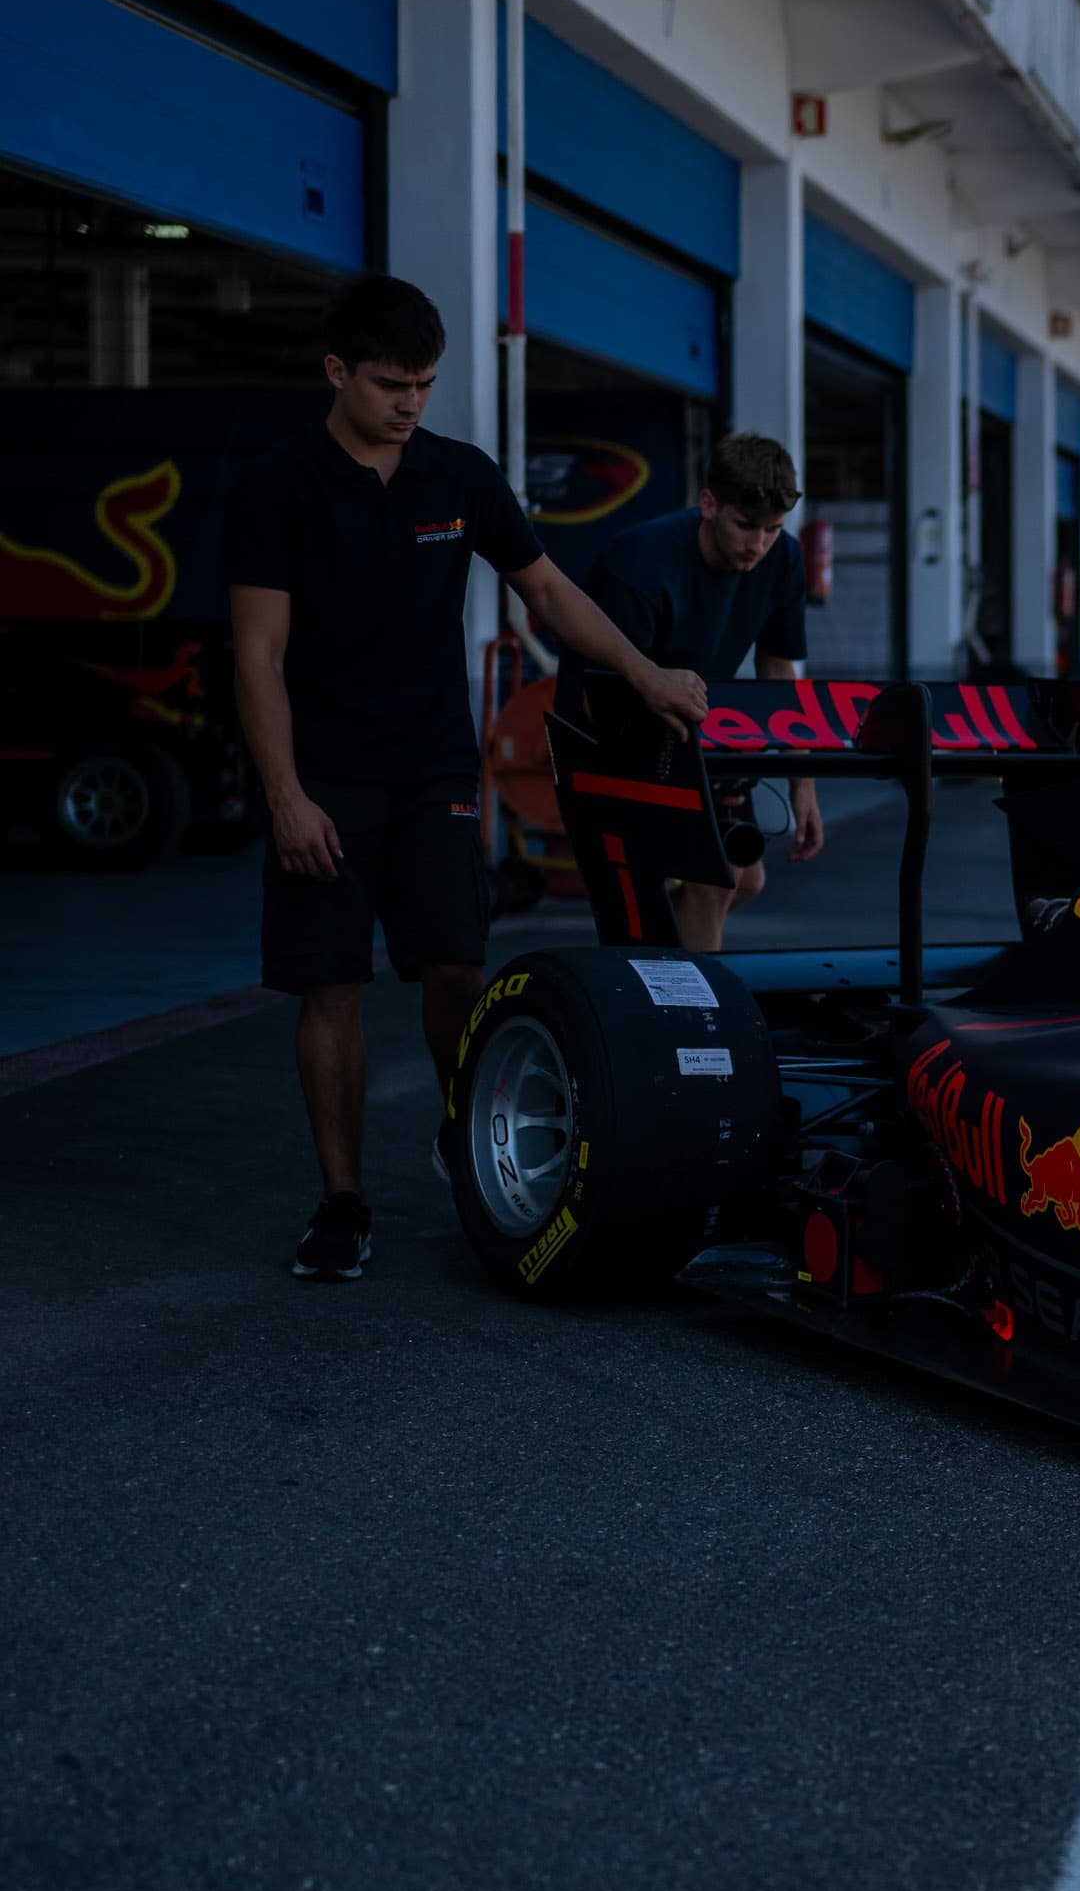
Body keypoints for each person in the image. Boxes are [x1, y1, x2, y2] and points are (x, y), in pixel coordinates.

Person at [228, 275, 712, 1283]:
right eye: (392, 384)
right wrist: (285, 796)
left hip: (435, 764)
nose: (411, 404)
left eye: (426, 384)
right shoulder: (278, 481)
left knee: (455, 972)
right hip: (325, 777)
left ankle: (467, 1142)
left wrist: (643, 670)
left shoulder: (459, 476)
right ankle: (344, 1202)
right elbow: (257, 655)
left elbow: (546, 590)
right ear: (336, 372)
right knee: (333, 987)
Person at [558, 433, 824, 951]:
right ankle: (699, 1022)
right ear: (708, 504)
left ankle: (660, 976)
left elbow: (777, 669)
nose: (758, 545)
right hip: (604, 730)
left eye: (772, 529)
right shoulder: (639, 565)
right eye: (745, 526)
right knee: (712, 877)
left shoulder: (782, 559)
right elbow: (599, 698)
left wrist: (803, 786)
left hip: (699, 730)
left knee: (746, 880)